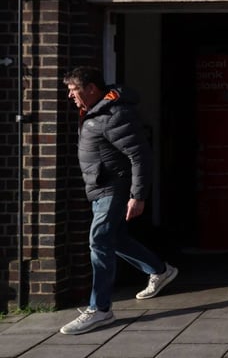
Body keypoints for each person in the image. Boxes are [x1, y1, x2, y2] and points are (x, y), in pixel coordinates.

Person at [59, 66, 178, 335]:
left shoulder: (113, 114)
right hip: (101, 188)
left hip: (113, 189)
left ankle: (99, 310)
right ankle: (159, 270)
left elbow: (140, 156)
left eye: (73, 90)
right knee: (114, 239)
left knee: (99, 240)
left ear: (91, 89)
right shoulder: (95, 112)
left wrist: (138, 196)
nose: (70, 96)